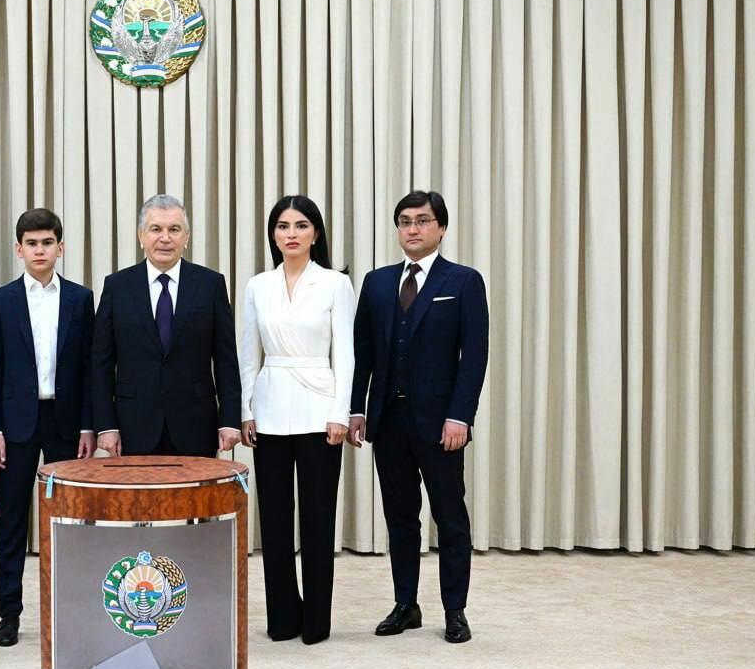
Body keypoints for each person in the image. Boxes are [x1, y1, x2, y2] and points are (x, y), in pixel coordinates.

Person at [346, 190, 489, 644]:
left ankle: (455, 610)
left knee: (450, 516)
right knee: (400, 517)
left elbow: (474, 357)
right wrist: (356, 408)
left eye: (423, 221)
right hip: (388, 420)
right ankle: (406, 603)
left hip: (440, 424)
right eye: (405, 221)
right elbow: (363, 353)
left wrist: (460, 416)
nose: (413, 228)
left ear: (441, 228)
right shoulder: (377, 283)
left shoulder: (463, 281)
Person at [239, 195, 355, 645]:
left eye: (301, 225)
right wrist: (246, 409)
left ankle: (316, 622)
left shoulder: (335, 284)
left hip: (319, 410)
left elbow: (345, 353)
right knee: (275, 519)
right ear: (273, 235)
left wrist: (339, 412)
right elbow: (248, 352)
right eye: (283, 226)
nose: (292, 234)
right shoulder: (258, 286)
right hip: (269, 409)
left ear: (315, 233)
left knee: (318, 517)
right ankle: (283, 618)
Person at [0, 208, 96, 647]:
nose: (40, 250)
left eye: (47, 242)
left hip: (65, 422)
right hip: (16, 424)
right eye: (31, 243)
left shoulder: (80, 299)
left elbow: (89, 368)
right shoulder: (3, 300)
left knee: (69, 519)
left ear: (60, 247)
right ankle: (8, 613)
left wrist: (88, 425)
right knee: (13, 520)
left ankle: (70, 614)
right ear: (19, 249)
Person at [92, 194, 242, 458]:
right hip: (133, 424)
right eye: (155, 229)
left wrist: (229, 419)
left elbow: (226, 359)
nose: (165, 238)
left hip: (196, 424)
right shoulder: (117, 286)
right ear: (141, 236)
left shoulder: (210, 285)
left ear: (187, 237)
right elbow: (101, 362)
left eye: (174, 229)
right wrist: (106, 425)